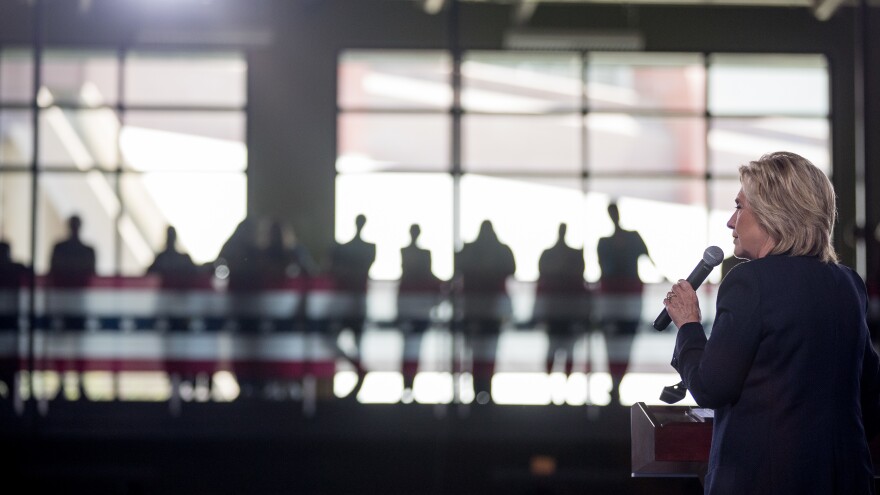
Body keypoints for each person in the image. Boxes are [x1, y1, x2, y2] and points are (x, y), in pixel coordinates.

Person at [663, 151, 880, 494]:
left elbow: (710, 387)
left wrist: (689, 325)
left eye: (739, 206)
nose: (731, 222)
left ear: (771, 214)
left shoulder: (749, 282)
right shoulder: (849, 284)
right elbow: (869, 395)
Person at [596, 202, 657, 403]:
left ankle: (617, 383)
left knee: (623, 341)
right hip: (616, 295)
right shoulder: (607, 242)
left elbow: (648, 258)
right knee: (615, 342)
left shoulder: (626, 238)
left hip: (625, 295)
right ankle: (615, 383)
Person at [454, 220, 516, 403]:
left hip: (483, 308)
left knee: (481, 352)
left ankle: (482, 389)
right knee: (483, 351)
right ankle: (482, 390)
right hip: (482, 308)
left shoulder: (473, 250)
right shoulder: (498, 249)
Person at [535, 223, 589, 381]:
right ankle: (558, 386)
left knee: (560, 350)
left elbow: (542, 283)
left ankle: (555, 386)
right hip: (563, 311)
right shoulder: (573, 255)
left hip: (559, 310)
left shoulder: (549, 255)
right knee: (561, 350)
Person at [397, 224, 443, 397]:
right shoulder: (408, 252)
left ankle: (409, 385)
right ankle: (407, 385)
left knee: (414, 348)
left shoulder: (423, 253)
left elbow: (427, 274)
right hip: (412, 304)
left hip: (418, 306)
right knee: (410, 347)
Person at [48, 214, 96, 287]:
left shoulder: (88, 251)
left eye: (75, 226)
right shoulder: (59, 248)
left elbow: (91, 273)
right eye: (73, 225)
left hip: (80, 290)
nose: (74, 228)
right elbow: (53, 271)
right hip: (61, 289)